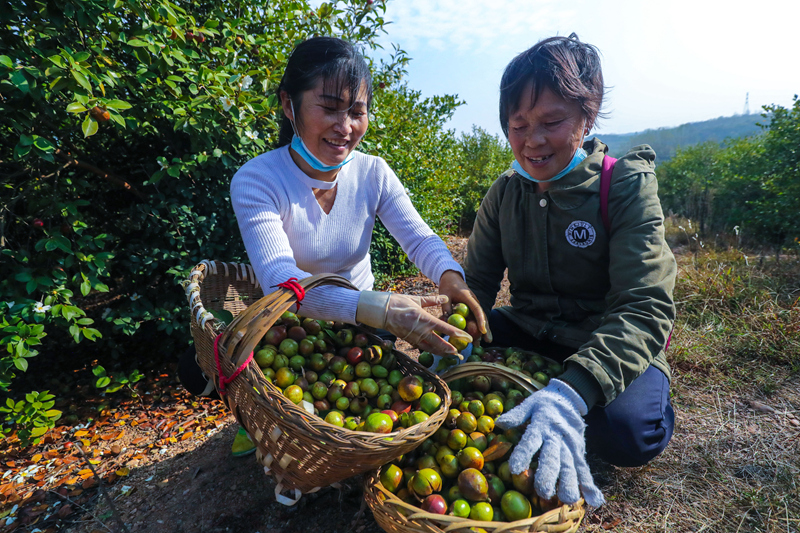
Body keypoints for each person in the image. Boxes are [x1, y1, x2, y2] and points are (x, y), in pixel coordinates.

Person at [180, 36, 488, 455]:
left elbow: (419, 238)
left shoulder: (374, 173)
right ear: (289, 105)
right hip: (290, 324)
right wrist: (379, 306)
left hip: (363, 323)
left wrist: (452, 279)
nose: (345, 127)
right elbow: (282, 283)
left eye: (356, 112)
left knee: (356, 410)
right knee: (231, 381)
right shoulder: (258, 180)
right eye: (328, 108)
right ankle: (265, 417)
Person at [458, 34, 677, 509]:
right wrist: (453, 337)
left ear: (587, 116)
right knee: (459, 362)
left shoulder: (623, 185)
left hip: (605, 338)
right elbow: (476, 286)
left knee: (628, 436)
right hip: (531, 330)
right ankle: (544, 384)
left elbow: (644, 306)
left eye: (551, 122)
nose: (532, 141)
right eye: (518, 125)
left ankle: (578, 390)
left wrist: (573, 393)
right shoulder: (505, 194)